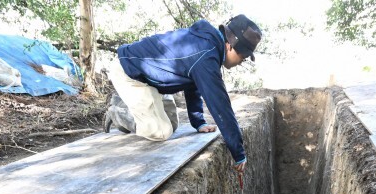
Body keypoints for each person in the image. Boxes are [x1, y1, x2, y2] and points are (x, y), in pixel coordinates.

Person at [104, 15, 262, 174]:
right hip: (129, 73)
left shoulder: (207, 45)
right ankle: (117, 113)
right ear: (230, 45)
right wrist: (238, 152)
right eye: (243, 56)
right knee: (161, 132)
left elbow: (193, 84)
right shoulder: (206, 54)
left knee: (172, 122)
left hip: (149, 81)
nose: (242, 61)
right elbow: (221, 106)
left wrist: (198, 122)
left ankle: (129, 105)